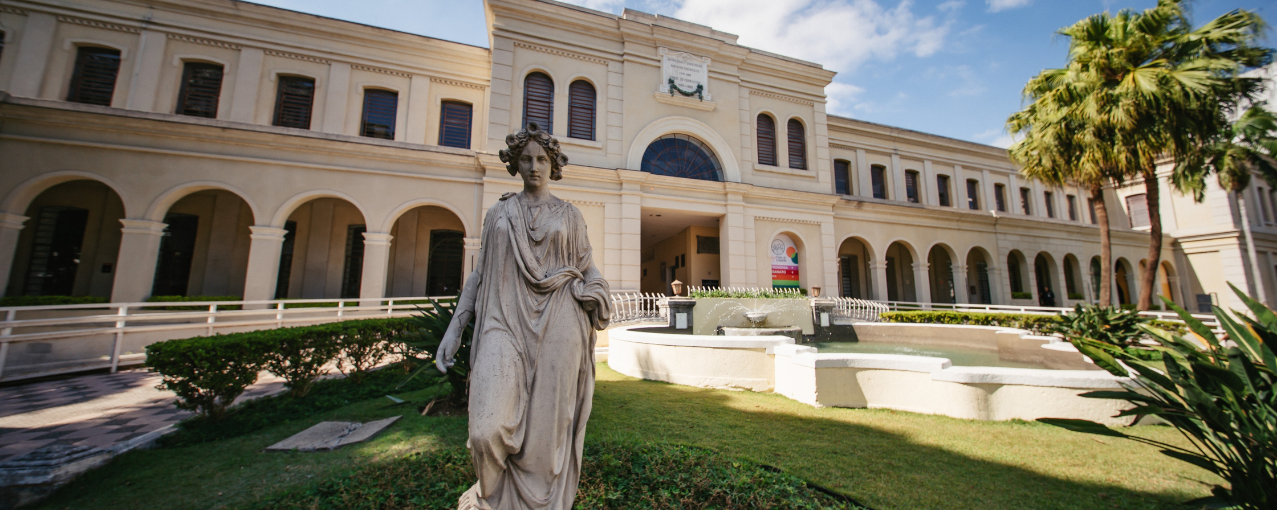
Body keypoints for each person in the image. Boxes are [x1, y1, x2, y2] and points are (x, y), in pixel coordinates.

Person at [435, 122, 611, 510]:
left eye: (542, 159)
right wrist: (455, 327)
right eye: (526, 159)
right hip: (504, 323)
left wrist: (597, 291)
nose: (534, 166)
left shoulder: (570, 215)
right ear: (514, 163)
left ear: (553, 164)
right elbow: (480, 275)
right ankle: (489, 497)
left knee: (548, 439)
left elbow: (589, 268)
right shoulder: (499, 213)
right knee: (487, 431)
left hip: (561, 322)